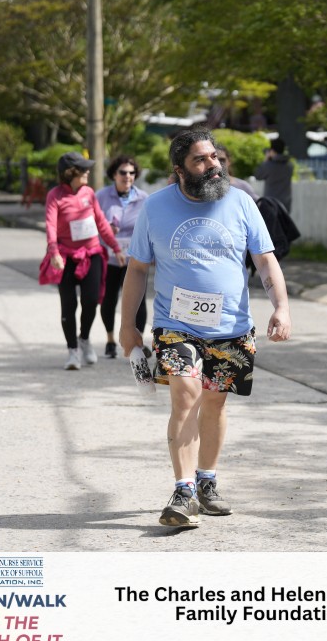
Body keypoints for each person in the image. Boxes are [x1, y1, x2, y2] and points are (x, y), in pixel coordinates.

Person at [119, 128, 292, 528]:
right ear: (179, 169)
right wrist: (128, 326)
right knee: (186, 395)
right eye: (200, 159)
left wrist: (281, 307)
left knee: (215, 403)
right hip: (175, 324)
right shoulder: (156, 207)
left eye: (214, 156)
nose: (212, 165)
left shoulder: (241, 202)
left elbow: (264, 260)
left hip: (231, 326)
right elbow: (138, 269)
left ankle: (206, 482)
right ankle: (183, 492)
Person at [43, 151, 125, 370]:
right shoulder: (55, 196)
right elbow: (50, 226)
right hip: (66, 257)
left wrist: (116, 248)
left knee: (91, 300)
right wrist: (54, 252)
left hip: (91, 254)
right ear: (70, 172)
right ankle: (73, 351)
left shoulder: (89, 193)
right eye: (83, 169)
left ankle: (84, 338)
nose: (88, 172)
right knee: (68, 304)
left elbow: (101, 223)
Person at [95, 155, 149, 358]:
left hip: (135, 259)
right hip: (109, 258)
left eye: (132, 173)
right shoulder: (101, 196)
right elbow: (92, 224)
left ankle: (138, 343)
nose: (128, 176)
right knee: (109, 299)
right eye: (123, 172)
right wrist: (105, 230)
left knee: (139, 301)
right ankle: (110, 340)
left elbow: (150, 227)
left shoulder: (144, 198)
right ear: (114, 174)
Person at [254, 138, 294, 213]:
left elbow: (258, 176)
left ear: (272, 151)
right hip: (285, 204)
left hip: (270, 204)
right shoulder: (289, 166)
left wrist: (266, 159)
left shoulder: (268, 165)